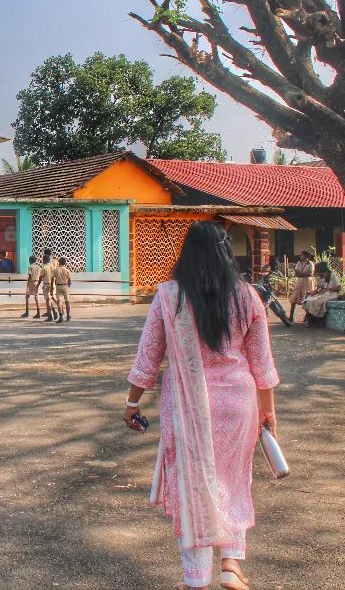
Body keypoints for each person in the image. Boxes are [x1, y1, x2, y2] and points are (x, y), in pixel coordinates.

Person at [123, 222, 279, 590]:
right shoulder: (247, 297)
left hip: (188, 407)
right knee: (234, 480)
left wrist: (131, 403)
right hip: (239, 404)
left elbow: (148, 358)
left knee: (192, 487)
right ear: (228, 252)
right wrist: (268, 413)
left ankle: (196, 580)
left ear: (186, 253)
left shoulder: (169, 296)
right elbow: (263, 365)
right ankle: (229, 564)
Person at [287, 250, 315, 323]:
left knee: (306, 299)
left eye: (301, 255)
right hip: (299, 282)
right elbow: (296, 273)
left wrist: (301, 274)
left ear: (305, 256)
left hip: (307, 283)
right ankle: (291, 316)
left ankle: (307, 316)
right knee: (293, 299)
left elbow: (311, 274)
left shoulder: (310, 264)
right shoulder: (298, 263)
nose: (300, 256)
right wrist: (303, 274)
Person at [40, 249, 59, 322]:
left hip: (47, 283)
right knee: (50, 298)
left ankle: (52, 313)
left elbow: (42, 276)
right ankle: (55, 311)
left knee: (49, 299)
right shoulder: (54, 262)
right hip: (53, 282)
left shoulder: (46, 264)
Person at [53, 257, 72, 323]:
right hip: (65, 286)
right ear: (65, 263)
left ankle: (60, 316)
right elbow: (69, 280)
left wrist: (55, 284)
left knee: (59, 302)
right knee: (67, 301)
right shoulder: (67, 270)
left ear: (59, 262)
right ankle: (68, 316)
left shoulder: (55, 270)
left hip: (58, 286)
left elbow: (53, 278)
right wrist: (68, 286)